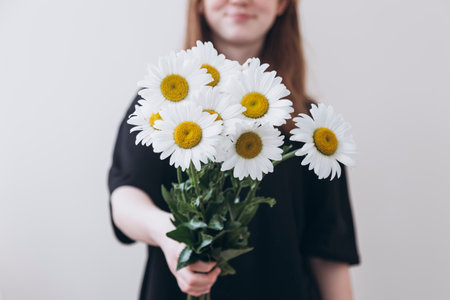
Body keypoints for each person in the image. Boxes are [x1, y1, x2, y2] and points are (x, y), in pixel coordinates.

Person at [108, 0, 361, 299]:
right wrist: (168, 233)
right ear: (199, 4)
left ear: (282, 5)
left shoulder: (310, 126)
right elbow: (125, 197)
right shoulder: (162, 103)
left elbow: (328, 251)